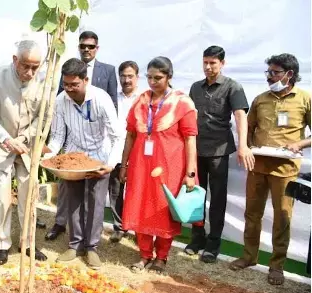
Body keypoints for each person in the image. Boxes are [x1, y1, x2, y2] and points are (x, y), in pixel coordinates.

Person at [229, 53, 311, 286]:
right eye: (268, 72)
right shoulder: (261, 99)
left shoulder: (304, 99)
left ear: (289, 74)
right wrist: (246, 147)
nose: (269, 77)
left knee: (282, 218)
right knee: (252, 213)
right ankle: (249, 256)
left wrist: (299, 144)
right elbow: (247, 127)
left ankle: (277, 266)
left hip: (285, 170)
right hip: (257, 165)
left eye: (274, 72)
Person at [119, 57, 198, 273]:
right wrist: (124, 165)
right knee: (140, 207)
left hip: (170, 167)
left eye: (158, 78)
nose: (153, 82)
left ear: (169, 77)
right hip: (140, 166)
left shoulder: (183, 103)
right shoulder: (141, 101)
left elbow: (191, 139)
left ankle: (161, 257)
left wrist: (190, 173)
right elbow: (130, 136)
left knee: (164, 211)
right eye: (150, 77)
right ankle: (144, 255)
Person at [46, 58, 119, 269]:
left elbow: (116, 136)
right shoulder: (61, 100)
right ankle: (74, 244)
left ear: (86, 80)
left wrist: (111, 163)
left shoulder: (101, 99)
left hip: (99, 158)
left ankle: (92, 248)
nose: (69, 89)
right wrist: (48, 156)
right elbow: (58, 136)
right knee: (73, 202)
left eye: (74, 85)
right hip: (73, 157)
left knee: (96, 204)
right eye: (65, 84)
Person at [185, 46, 254, 263]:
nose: (208, 67)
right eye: (205, 62)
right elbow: (188, 117)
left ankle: (213, 244)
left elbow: (241, 117)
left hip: (219, 151)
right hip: (196, 150)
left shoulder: (232, 87)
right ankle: (197, 239)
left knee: (217, 200)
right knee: (196, 195)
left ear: (222, 63)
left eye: (212, 63)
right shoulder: (195, 87)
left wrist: (243, 146)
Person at [0, 40, 48, 265]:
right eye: (25, 66)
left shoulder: (43, 81)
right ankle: (1, 244)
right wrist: (8, 140)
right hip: (1, 146)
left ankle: (28, 243)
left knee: (28, 197)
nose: (30, 72)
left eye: (35, 67)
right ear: (15, 60)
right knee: (2, 197)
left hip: (28, 145)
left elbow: (43, 116)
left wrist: (25, 137)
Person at [107, 61, 141, 243]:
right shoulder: (112, 97)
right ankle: (119, 227)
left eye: (130, 76)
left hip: (137, 153)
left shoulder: (144, 98)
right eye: (123, 76)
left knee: (136, 192)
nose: (126, 80)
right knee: (116, 191)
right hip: (115, 151)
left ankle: (137, 228)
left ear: (137, 77)